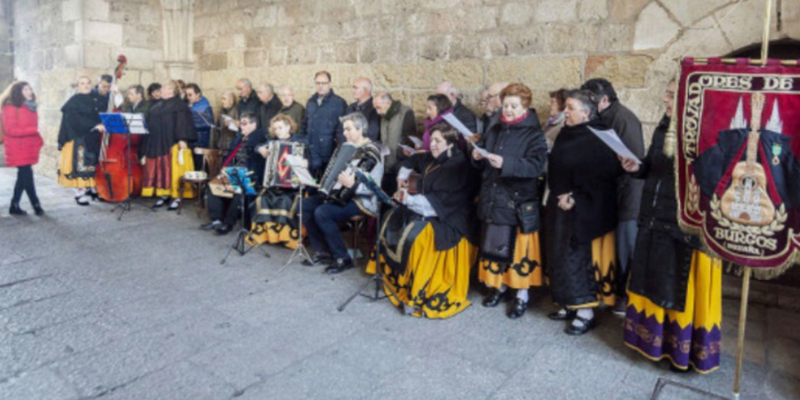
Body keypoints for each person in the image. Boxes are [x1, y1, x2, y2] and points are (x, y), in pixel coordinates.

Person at [621, 80, 723, 374]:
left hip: (685, 226)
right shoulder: (665, 123)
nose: (665, 100)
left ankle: (685, 354)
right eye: (665, 93)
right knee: (652, 281)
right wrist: (636, 168)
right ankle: (653, 344)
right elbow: (654, 166)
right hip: (655, 216)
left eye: (670, 94)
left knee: (678, 288)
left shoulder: (708, 129)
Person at [367, 125, 478, 318]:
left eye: (438, 141)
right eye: (432, 140)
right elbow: (413, 159)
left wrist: (407, 199)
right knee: (391, 217)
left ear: (451, 145)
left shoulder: (457, 166)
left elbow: (436, 205)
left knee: (419, 237)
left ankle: (417, 288)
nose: (432, 145)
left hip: (450, 218)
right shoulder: (433, 156)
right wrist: (402, 177)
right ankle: (397, 277)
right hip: (431, 208)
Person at [545, 89, 623, 335]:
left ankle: (585, 311)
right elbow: (556, 167)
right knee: (559, 256)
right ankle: (568, 302)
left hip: (586, 209)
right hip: (560, 205)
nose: (564, 112)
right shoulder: (567, 133)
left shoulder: (601, 137)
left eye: (570, 108)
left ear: (586, 112)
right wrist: (560, 193)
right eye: (565, 107)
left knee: (578, 259)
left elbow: (606, 177)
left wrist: (575, 197)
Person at [472, 83, 547, 319]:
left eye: (514, 106)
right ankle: (499, 287)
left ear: (525, 107)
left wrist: (506, 163)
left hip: (516, 201)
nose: (509, 110)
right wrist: (477, 155)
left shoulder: (534, 134)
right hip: (494, 198)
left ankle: (521, 295)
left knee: (517, 253)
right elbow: (483, 160)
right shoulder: (494, 129)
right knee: (494, 247)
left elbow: (537, 166)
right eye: (506, 105)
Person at [581, 78, 645, 313]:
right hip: (610, 193)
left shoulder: (623, 119)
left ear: (604, 99)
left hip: (628, 195)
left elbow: (634, 160)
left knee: (626, 248)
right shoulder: (603, 117)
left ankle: (627, 297)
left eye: (590, 99)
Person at [301, 112, 383, 273]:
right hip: (341, 197)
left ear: (360, 129)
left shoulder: (371, 152)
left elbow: (374, 188)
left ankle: (342, 257)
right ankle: (323, 251)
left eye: (348, 129)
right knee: (305, 205)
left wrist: (354, 185)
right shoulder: (346, 148)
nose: (344, 133)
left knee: (323, 212)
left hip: (363, 201)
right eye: (344, 129)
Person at [248, 114, 309, 248]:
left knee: (286, 201)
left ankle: (287, 238)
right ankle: (268, 236)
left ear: (288, 127)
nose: (277, 131)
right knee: (262, 199)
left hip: (293, 186)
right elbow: (256, 146)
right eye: (275, 128)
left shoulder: (300, 142)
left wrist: (306, 162)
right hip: (275, 184)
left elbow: (315, 161)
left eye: (280, 128)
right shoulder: (271, 142)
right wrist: (260, 149)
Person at [202, 112, 268, 235]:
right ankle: (216, 219)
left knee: (238, 190)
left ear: (253, 125)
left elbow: (259, 147)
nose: (241, 126)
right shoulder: (239, 137)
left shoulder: (259, 136)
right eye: (241, 123)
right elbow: (230, 155)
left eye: (244, 124)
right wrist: (224, 170)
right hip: (234, 171)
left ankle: (228, 223)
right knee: (213, 185)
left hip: (250, 175)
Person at [140, 80, 197, 210]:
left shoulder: (180, 105)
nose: (162, 90)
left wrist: (182, 138)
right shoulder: (158, 105)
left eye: (165, 88)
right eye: (162, 88)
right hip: (157, 142)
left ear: (172, 90)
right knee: (161, 170)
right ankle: (164, 194)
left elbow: (183, 123)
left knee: (173, 170)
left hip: (172, 142)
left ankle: (176, 196)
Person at [57, 76, 106, 205]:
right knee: (80, 164)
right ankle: (79, 193)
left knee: (92, 162)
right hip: (78, 137)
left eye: (88, 83)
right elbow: (75, 121)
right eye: (82, 83)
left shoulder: (94, 98)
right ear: (77, 86)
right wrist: (94, 125)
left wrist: (116, 93)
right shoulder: (74, 101)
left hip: (91, 136)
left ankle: (92, 188)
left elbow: (104, 109)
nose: (86, 85)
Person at [2, 81, 44, 216]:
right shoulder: (9, 107)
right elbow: (10, 130)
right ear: (17, 92)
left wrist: (37, 138)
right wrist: (33, 130)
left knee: (23, 176)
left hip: (28, 145)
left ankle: (14, 204)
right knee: (27, 174)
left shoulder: (31, 106)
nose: (29, 92)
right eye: (25, 90)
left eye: (30, 89)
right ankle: (36, 203)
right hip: (17, 146)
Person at [299, 71, 347, 175]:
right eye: (318, 83)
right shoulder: (310, 102)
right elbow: (304, 125)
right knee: (310, 186)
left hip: (328, 155)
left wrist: (338, 152)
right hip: (311, 153)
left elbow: (342, 129)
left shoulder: (339, 103)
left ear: (330, 84)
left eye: (323, 83)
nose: (320, 86)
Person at [374, 92, 416, 195]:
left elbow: (410, 140)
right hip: (386, 166)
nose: (377, 112)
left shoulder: (406, 113)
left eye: (378, 108)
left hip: (399, 165)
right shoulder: (384, 115)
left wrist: (399, 153)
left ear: (388, 103)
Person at [338, 77, 380, 143]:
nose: (353, 91)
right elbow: (340, 130)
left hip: (365, 150)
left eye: (355, 88)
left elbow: (372, 134)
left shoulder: (375, 108)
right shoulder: (350, 108)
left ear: (365, 90)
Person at [185, 83, 215, 170]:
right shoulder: (190, 105)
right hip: (192, 139)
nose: (188, 97)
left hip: (201, 140)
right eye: (187, 95)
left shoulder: (204, 106)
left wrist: (190, 125)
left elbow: (208, 124)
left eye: (190, 95)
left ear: (198, 94)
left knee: (200, 166)